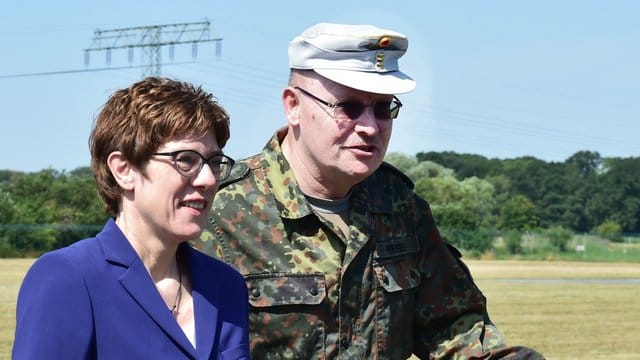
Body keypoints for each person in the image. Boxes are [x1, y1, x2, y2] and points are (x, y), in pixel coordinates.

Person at [194, 23, 544, 359]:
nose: (370, 127)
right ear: (293, 106)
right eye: (349, 108)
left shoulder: (398, 206)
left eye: (383, 109)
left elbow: (452, 328)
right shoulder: (219, 210)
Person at [13, 77, 250, 359]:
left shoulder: (226, 285)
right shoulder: (68, 279)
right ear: (124, 169)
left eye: (214, 162)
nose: (209, 179)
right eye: (186, 160)